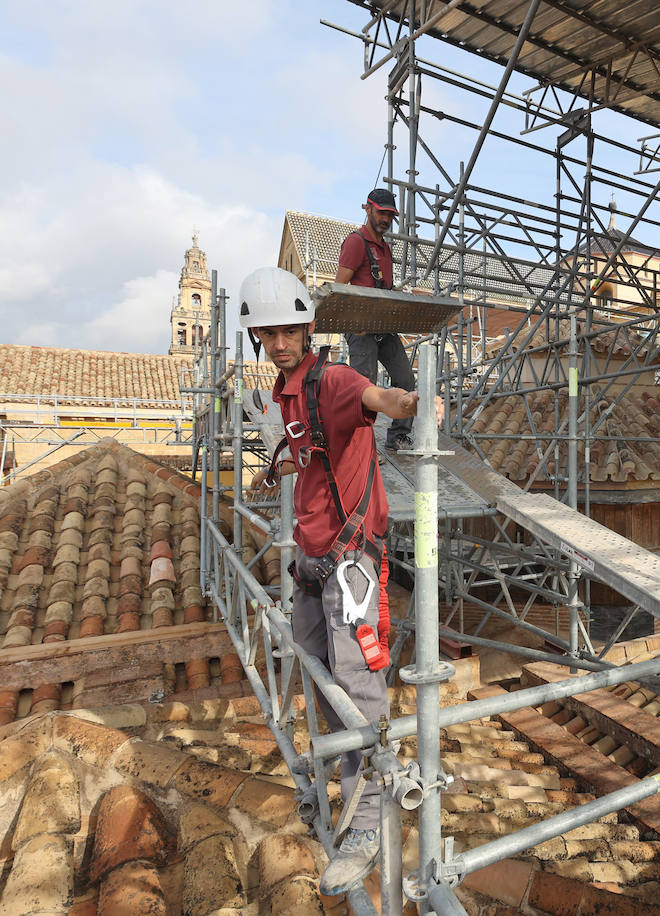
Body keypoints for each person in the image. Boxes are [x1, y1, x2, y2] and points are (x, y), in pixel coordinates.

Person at [239, 266, 438, 895]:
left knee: (357, 680)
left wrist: (412, 404)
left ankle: (369, 818)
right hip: (310, 559)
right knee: (311, 664)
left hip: (350, 560)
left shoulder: (334, 381)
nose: (278, 343)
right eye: (267, 334)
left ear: (307, 329)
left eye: (287, 331)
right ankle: (342, 766)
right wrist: (273, 471)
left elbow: (380, 399)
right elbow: (307, 453)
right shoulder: (286, 392)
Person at [336, 187, 417, 451]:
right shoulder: (356, 242)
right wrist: (353, 323)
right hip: (361, 329)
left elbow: (385, 290)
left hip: (384, 327)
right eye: (381, 213)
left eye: (390, 215)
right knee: (364, 388)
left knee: (406, 379)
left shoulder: (385, 248)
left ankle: (398, 437)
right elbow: (340, 289)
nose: (386, 219)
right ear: (368, 209)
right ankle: (361, 447)